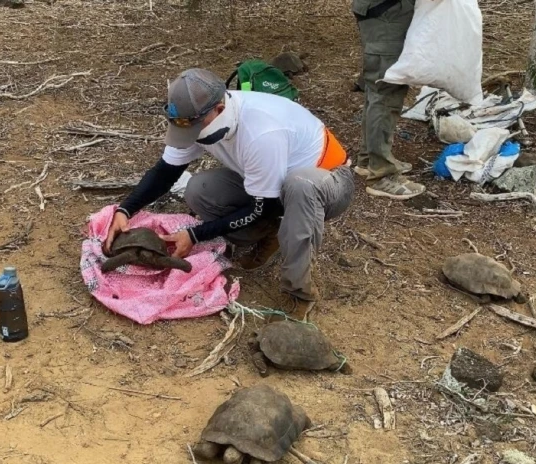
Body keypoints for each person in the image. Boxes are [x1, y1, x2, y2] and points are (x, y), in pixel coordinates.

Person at [103, 68, 354, 321]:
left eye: (194, 128)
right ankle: (273, 233)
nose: (190, 135)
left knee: (300, 186)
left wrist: (195, 235)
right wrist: (125, 210)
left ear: (219, 110)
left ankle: (301, 292)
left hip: (328, 181)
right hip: (273, 185)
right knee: (199, 190)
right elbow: (165, 173)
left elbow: (261, 207)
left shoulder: (261, 131)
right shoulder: (196, 116)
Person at [352, 0, 426, 200]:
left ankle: (368, 160)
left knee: (377, 88)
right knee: (386, 91)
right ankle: (382, 174)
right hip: (387, 13)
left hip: (382, 12)